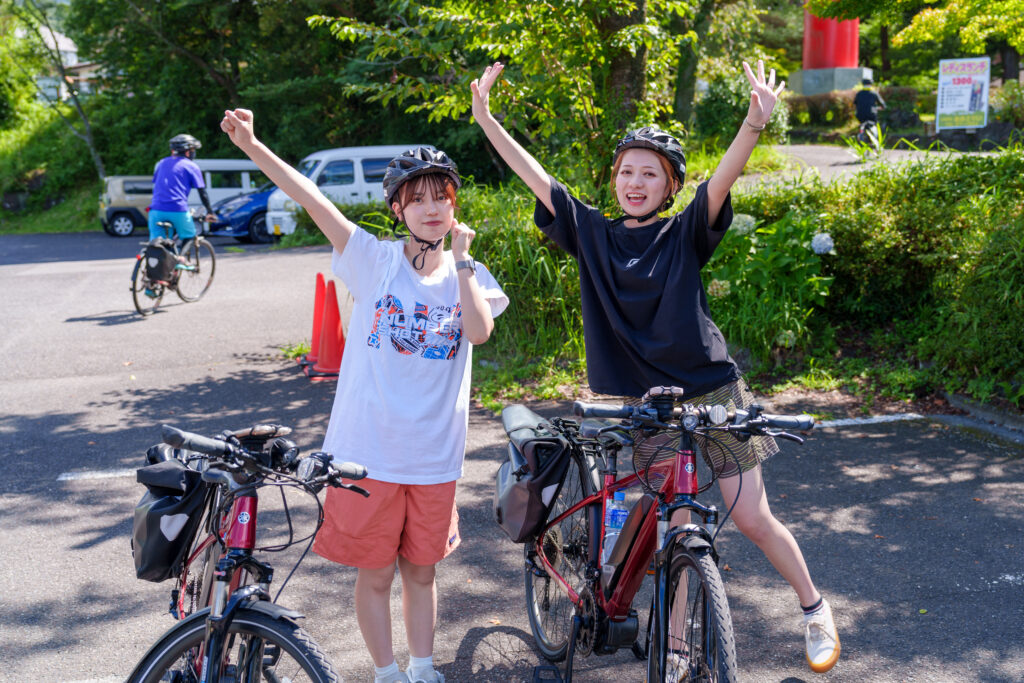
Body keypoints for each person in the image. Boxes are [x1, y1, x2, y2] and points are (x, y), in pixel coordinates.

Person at [471, 60, 840, 674]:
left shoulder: (683, 232)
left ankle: (814, 609)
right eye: (626, 172)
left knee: (750, 516)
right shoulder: (591, 232)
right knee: (680, 524)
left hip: (715, 390)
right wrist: (487, 119)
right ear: (613, 180)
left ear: (670, 187)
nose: (635, 182)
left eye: (651, 174)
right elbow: (537, 178)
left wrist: (753, 123)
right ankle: (672, 648)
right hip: (652, 405)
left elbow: (721, 180)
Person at [220, 109, 508, 683]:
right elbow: (311, 199)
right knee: (376, 574)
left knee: (422, 573)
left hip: (434, 456)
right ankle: (386, 672)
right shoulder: (373, 260)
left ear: (453, 206)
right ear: (398, 209)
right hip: (367, 453)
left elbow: (478, 332)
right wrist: (253, 145)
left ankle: (423, 668)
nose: (432, 208)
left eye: (441, 198)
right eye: (418, 199)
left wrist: (465, 264)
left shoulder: (467, 272)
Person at [149, 133, 217, 244]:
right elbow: (202, 192)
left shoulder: (161, 163)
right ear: (188, 152)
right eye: (193, 149)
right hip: (177, 209)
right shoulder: (191, 166)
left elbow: (157, 184)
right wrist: (210, 212)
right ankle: (181, 259)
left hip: (156, 210)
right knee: (190, 236)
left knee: (158, 244)